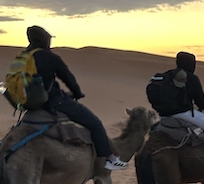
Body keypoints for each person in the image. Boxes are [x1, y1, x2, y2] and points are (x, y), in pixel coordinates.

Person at [22, 26, 128, 170]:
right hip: (53, 101)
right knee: (95, 124)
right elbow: (67, 78)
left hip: (29, 103)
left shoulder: (23, 57)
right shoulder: (50, 57)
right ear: (45, 39)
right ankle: (109, 158)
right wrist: (77, 93)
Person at [166, 52, 204, 179]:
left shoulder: (167, 76)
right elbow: (200, 100)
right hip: (184, 114)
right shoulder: (191, 78)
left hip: (165, 116)